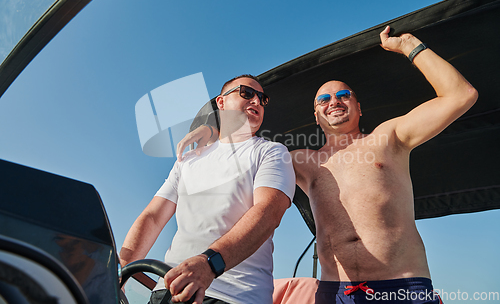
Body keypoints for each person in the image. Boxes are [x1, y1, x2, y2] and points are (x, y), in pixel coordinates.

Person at [178, 26, 478, 303]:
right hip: (334, 292)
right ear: (317, 115)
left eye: (343, 95)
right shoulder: (298, 159)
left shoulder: (390, 137)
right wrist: (214, 130)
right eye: (324, 99)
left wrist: (408, 45)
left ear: (358, 107)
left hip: (401, 286)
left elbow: (460, 95)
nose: (334, 101)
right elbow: (243, 151)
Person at [120, 75, 296, 304]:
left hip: (232, 296)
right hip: (167, 290)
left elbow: (268, 212)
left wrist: (210, 263)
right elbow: (153, 216)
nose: (257, 101)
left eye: (263, 99)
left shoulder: (271, 152)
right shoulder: (188, 159)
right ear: (221, 103)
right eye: (246, 93)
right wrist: (122, 275)